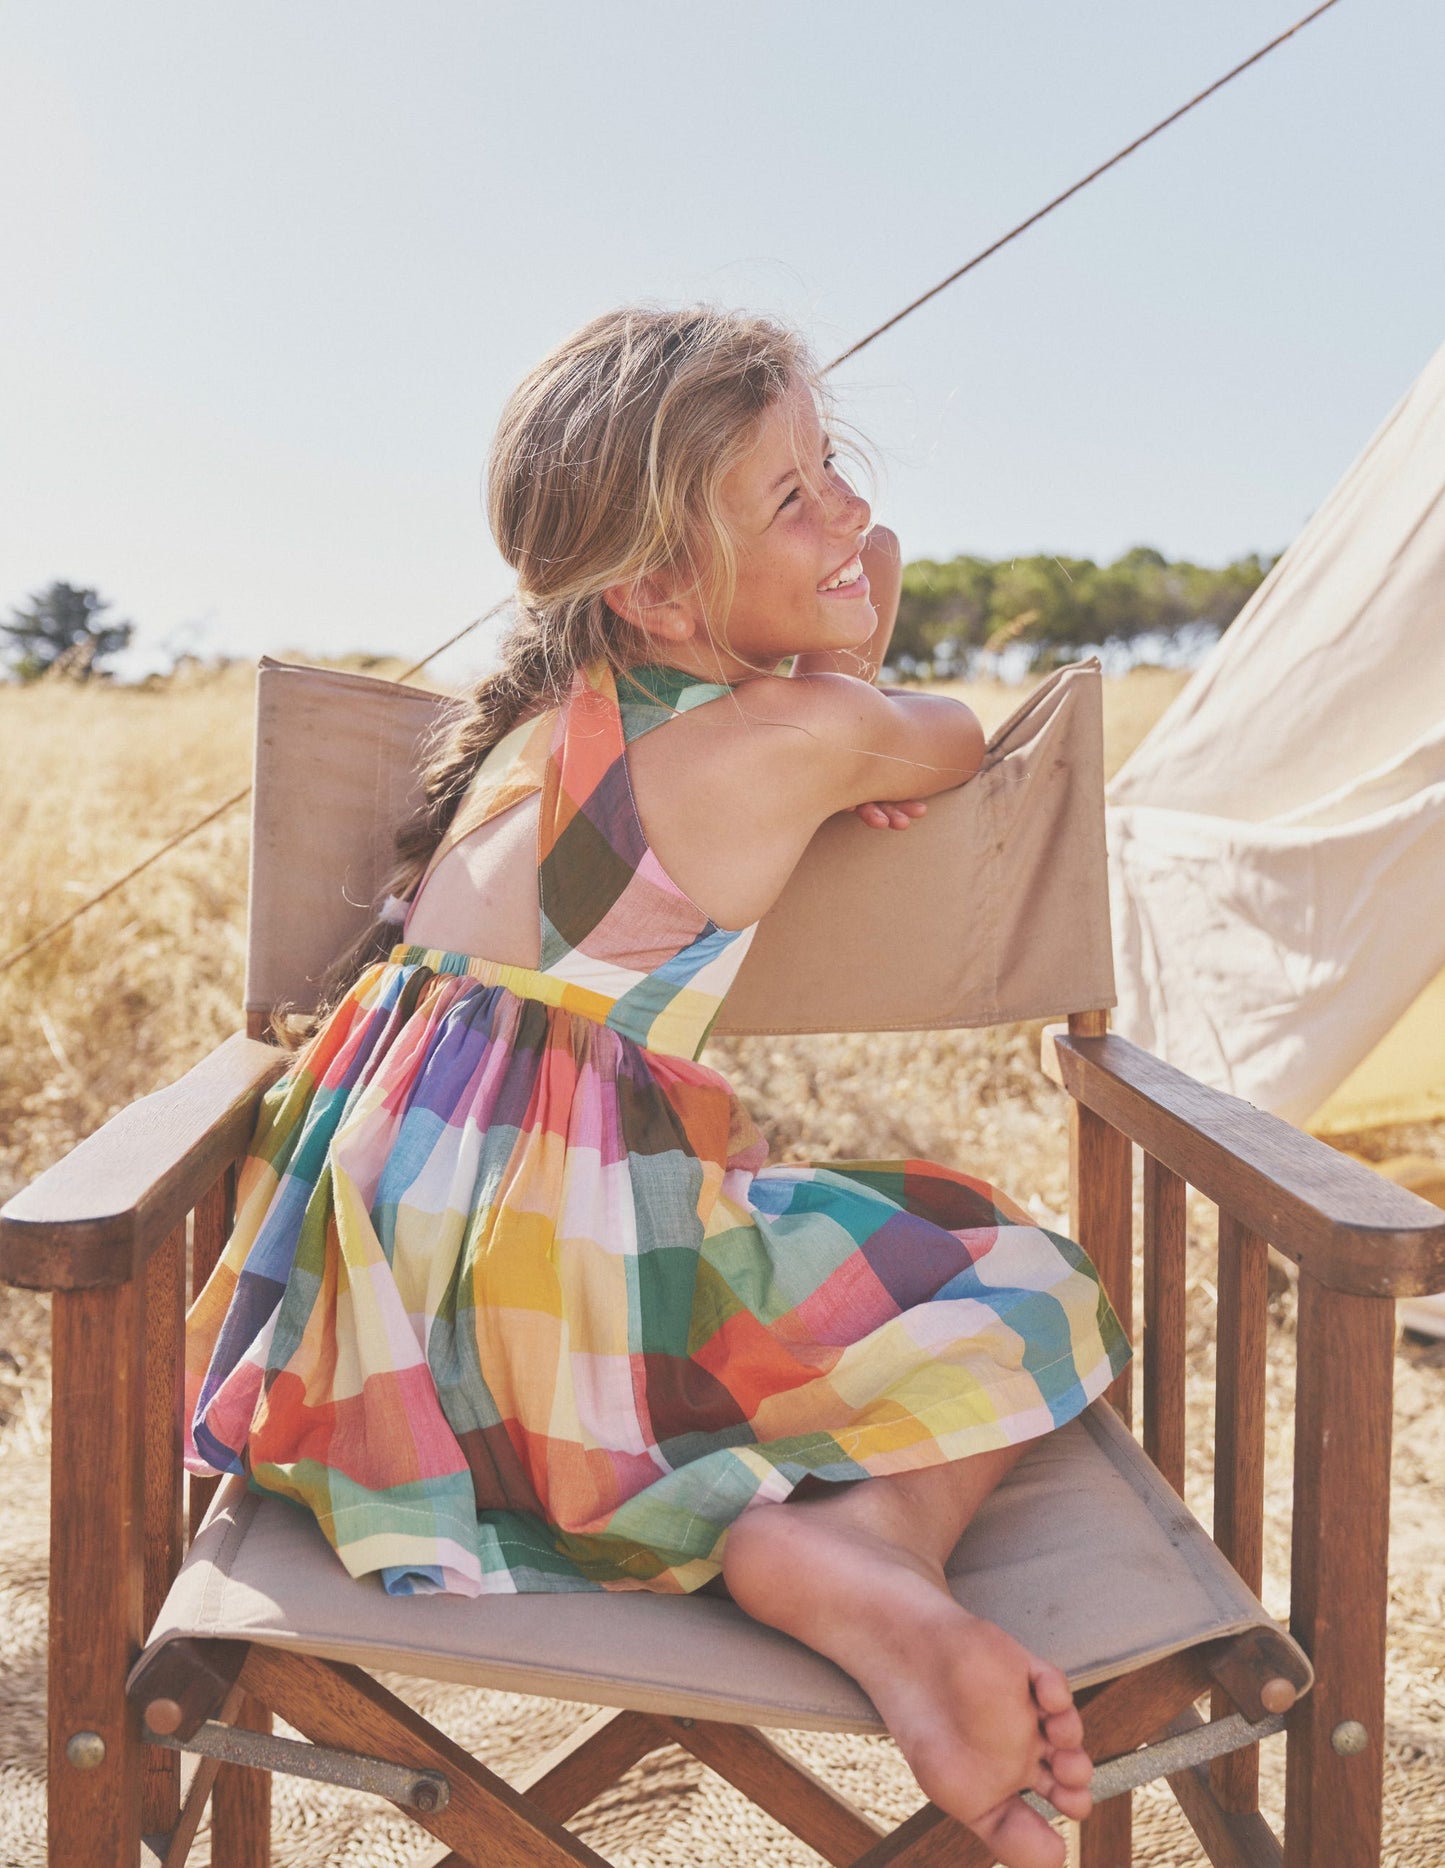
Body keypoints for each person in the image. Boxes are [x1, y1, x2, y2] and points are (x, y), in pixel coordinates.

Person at [185, 305, 1129, 1868]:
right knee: (1018, 1265)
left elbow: (841, 613)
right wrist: (847, 664)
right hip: (570, 1306)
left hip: (374, 1335)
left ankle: (826, 1552)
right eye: (792, 499)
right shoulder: (798, 729)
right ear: (653, 581)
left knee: (817, 1248)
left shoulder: (521, 744)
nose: (847, 519)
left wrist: (814, 612)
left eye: (836, 473)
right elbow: (951, 737)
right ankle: (860, 1549)